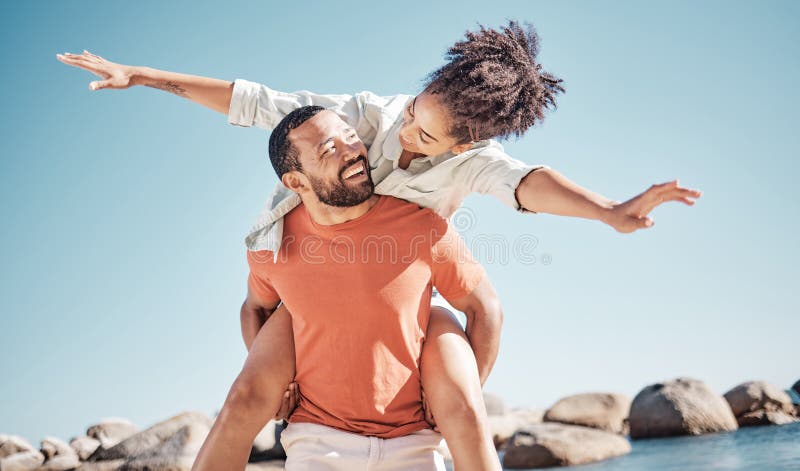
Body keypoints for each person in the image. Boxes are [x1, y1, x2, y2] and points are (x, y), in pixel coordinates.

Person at [57, 20, 702, 470]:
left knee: (462, 394)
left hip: (406, 285)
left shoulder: (470, 166)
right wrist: (138, 76)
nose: (404, 137)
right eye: (415, 114)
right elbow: (252, 102)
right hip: (310, 267)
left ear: (465, 146)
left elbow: (530, 185)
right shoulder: (363, 117)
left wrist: (612, 211)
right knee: (245, 394)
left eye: (429, 138)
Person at [213, 105, 501, 469]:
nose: (351, 150)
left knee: (442, 318)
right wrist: (280, 387)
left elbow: (484, 308)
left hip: (412, 444)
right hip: (318, 442)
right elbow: (254, 307)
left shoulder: (420, 225)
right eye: (328, 149)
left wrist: (461, 395)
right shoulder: (274, 245)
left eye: (350, 137)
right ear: (297, 182)